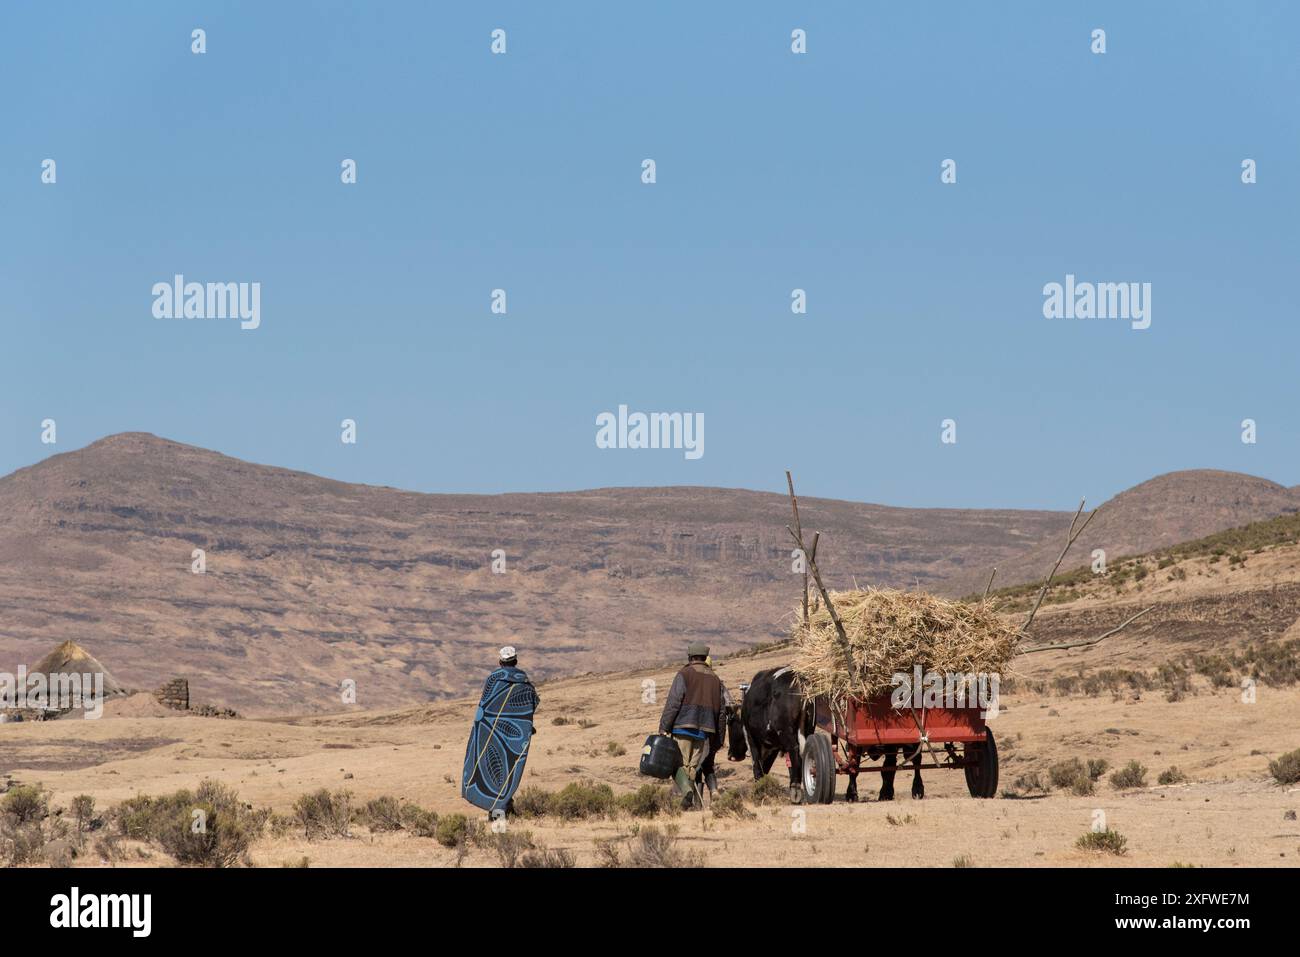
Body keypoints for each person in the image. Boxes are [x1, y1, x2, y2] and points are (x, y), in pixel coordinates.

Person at [465, 645, 540, 819]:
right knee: (508, 771)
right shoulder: (525, 681)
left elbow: (485, 706)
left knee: (490, 770)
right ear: (516, 661)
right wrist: (523, 724)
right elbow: (532, 703)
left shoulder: (493, 679)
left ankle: (498, 817)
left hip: (490, 734)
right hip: (516, 737)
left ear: (500, 662)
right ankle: (504, 811)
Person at [658, 642, 725, 810]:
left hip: (682, 727)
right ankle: (690, 806)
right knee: (692, 768)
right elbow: (722, 712)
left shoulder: (684, 674)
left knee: (677, 764)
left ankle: (687, 792)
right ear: (705, 658)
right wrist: (719, 738)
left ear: (690, 657)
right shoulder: (716, 679)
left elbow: (673, 703)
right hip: (704, 733)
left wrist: (664, 726)